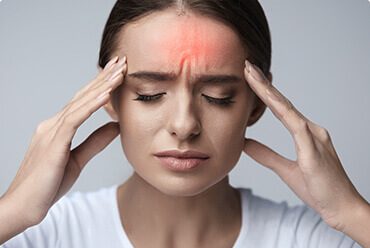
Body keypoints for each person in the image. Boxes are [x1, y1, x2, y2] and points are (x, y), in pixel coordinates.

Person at [0, 0, 369, 247]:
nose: (184, 124)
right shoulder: (40, 235)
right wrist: (13, 212)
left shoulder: (310, 240)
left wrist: (352, 214)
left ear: (257, 103)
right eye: (148, 93)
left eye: (218, 97)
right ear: (107, 96)